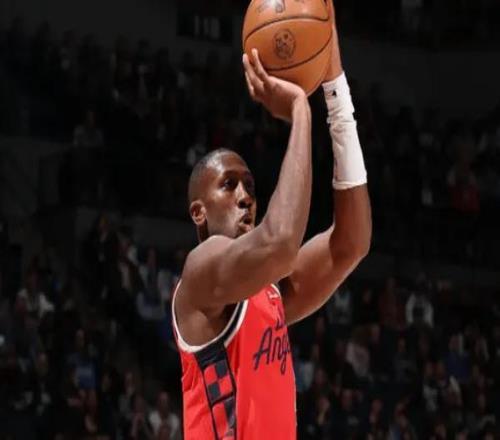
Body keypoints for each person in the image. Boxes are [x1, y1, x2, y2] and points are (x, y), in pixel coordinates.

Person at [171, 0, 372, 438]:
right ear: (198, 211)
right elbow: (280, 242)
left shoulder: (270, 292)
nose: (245, 196)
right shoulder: (200, 274)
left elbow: (351, 244)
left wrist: (335, 93)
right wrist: (300, 110)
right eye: (228, 185)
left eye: (249, 186)